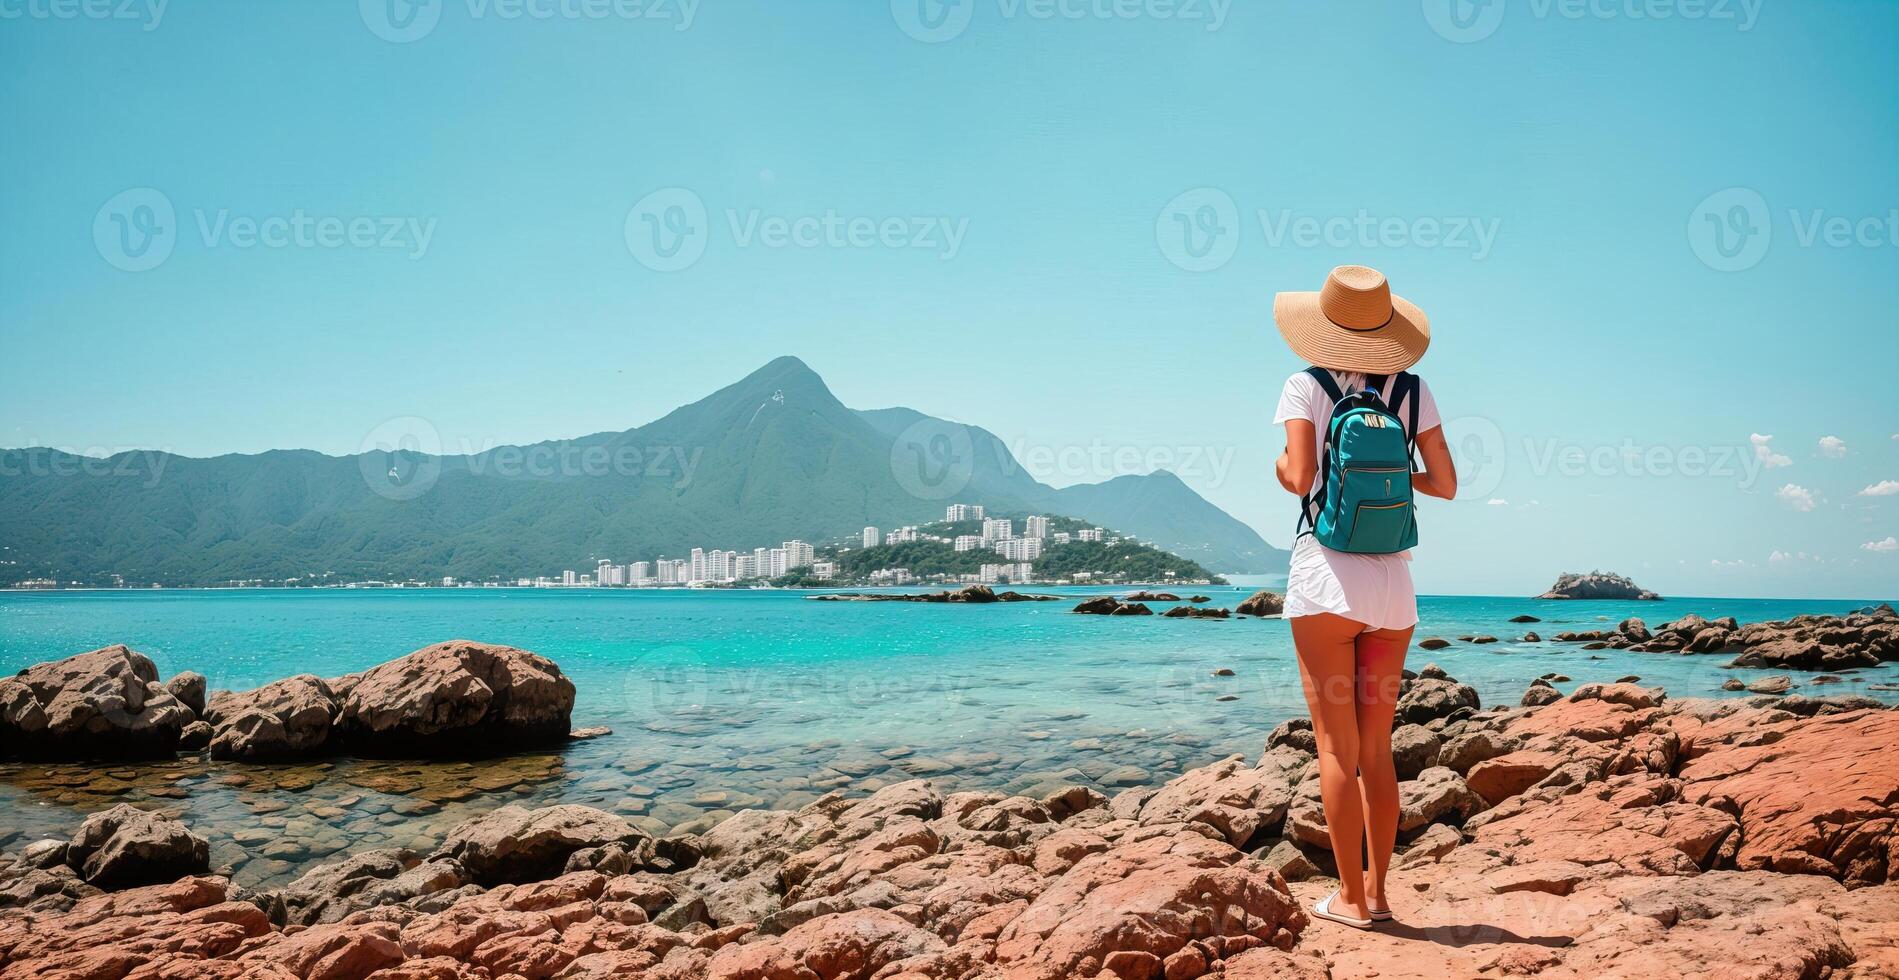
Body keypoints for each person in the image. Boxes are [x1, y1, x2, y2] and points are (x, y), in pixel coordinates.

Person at [1270, 265, 1458, 929]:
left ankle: (1348, 900)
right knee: (1376, 750)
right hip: (1391, 590)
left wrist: (1289, 464)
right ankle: (1380, 894)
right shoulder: (1411, 393)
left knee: (1333, 749)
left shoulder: (1304, 385)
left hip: (1325, 576)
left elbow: (1296, 476)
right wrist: (1388, 470)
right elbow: (1445, 484)